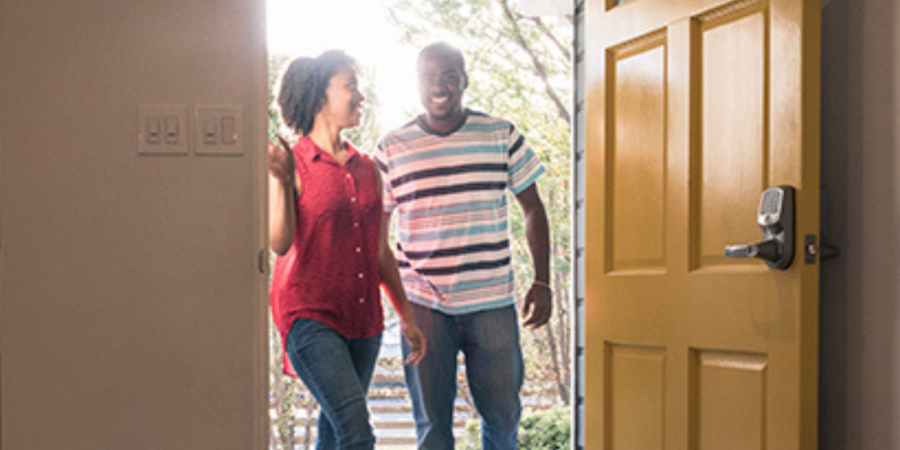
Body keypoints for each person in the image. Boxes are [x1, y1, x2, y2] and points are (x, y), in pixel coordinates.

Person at [373, 42, 552, 450]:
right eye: (429, 77)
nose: (440, 86)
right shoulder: (391, 147)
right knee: (433, 428)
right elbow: (375, 237)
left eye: (449, 76)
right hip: (423, 308)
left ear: (464, 81)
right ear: (417, 83)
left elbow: (533, 209)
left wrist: (542, 282)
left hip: (491, 302)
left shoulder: (500, 133)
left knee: (503, 417)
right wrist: (395, 305)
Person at [267, 50, 427, 450]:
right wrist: (282, 183)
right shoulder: (293, 161)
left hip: (363, 319)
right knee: (357, 431)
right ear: (321, 95)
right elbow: (280, 242)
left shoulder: (367, 167)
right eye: (351, 86)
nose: (361, 95)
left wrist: (406, 317)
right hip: (310, 316)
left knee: (334, 432)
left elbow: (379, 253)